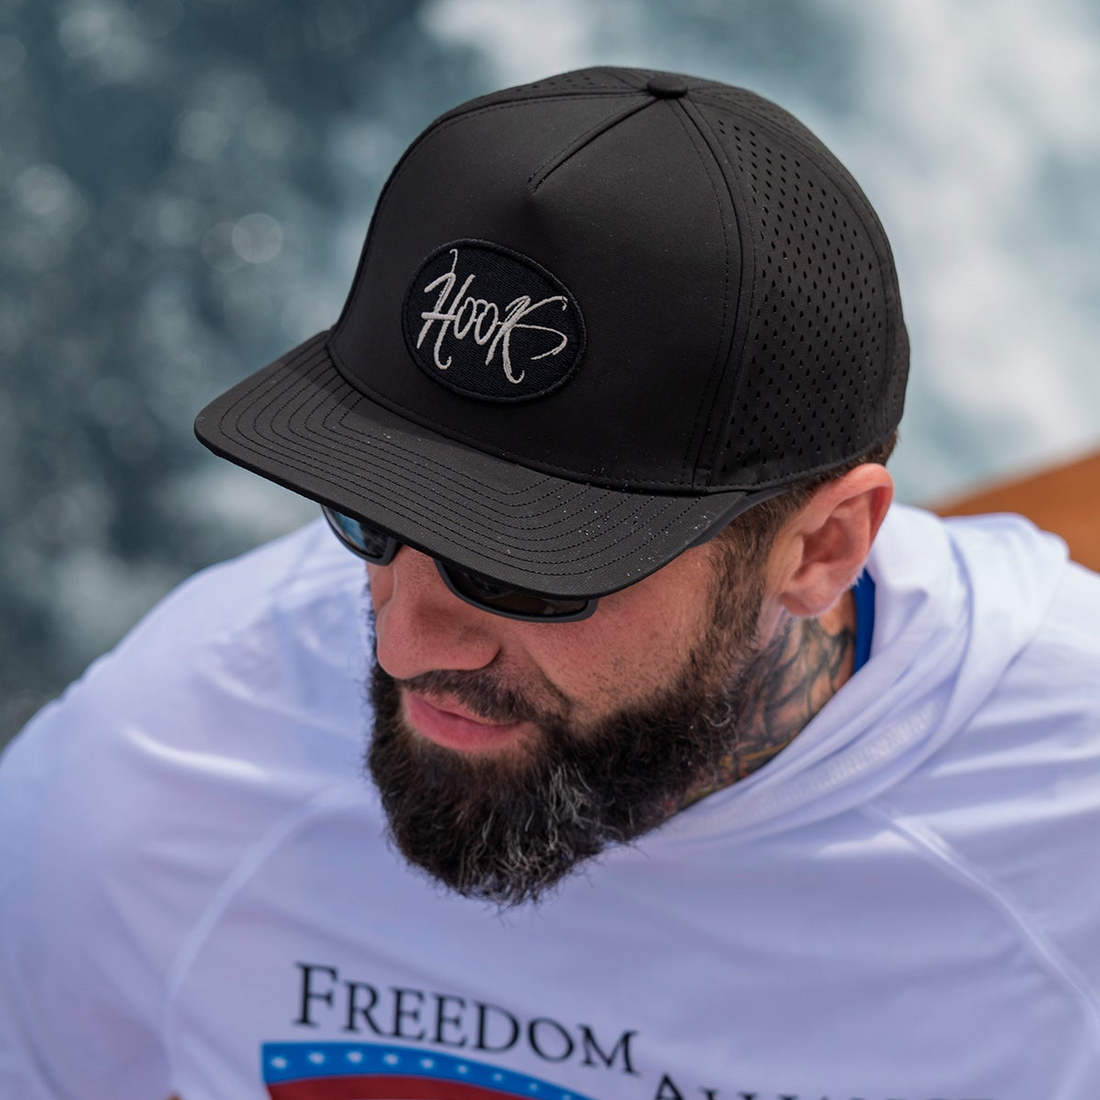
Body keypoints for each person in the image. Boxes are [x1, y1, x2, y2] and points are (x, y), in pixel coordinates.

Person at [1, 66, 1098, 1100]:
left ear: (820, 548)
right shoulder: (165, 765)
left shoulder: (1066, 821)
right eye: (372, 522)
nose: (404, 646)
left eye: (519, 570)